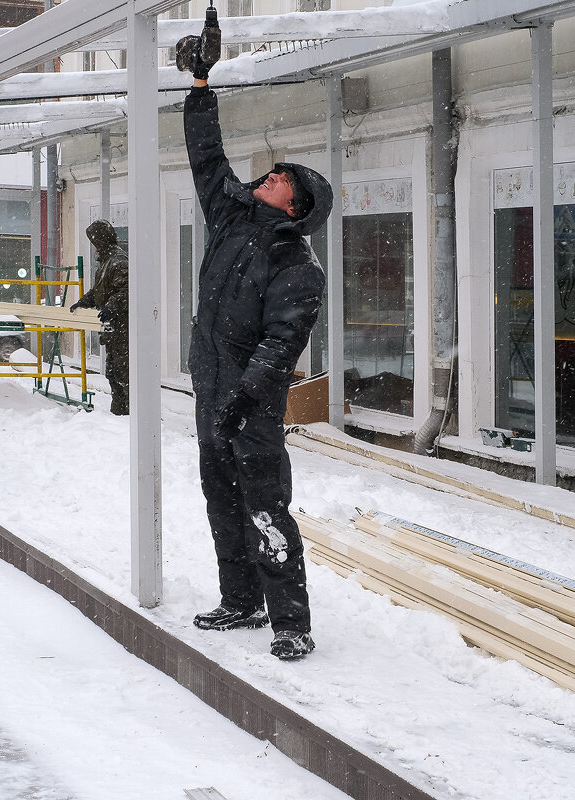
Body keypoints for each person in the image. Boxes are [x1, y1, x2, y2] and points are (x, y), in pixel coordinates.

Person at [176, 16, 333, 661]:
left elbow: (282, 341)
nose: (267, 176)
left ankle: (290, 622)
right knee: (221, 501)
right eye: (272, 172)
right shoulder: (230, 218)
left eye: (281, 178)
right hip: (212, 390)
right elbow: (206, 157)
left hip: (252, 405)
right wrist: (200, 84)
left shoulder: (297, 266)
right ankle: (239, 600)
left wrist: (245, 397)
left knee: (265, 507)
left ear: (295, 206)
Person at [69, 220, 130, 415]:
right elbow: (99, 291)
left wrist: (112, 306)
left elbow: (127, 290)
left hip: (123, 330)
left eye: (94, 241)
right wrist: (84, 302)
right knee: (113, 373)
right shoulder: (106, 261)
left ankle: (129, 414)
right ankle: (119, 414)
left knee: (124, 375)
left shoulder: (118, 261)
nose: (93, 246)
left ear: (101, 240)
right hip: (113, 330)